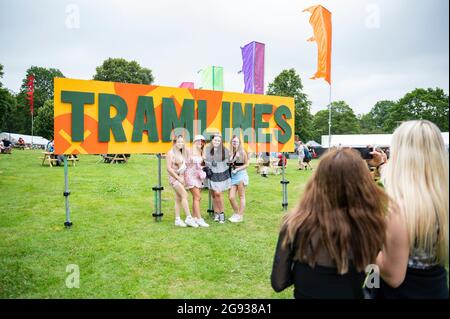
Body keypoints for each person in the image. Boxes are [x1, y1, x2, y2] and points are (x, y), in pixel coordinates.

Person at [271, 148, 388, 299]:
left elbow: (279, 282)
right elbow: (374, 279)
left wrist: (304, 270)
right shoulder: (372, 226)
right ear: (362, 185)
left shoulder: (295, 224)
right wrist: (381, 166)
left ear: (318, 181)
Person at [369, 120, 449, 299]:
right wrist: (381, 165)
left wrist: (365, 243)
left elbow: (393, 276)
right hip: (435, 289)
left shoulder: (401, 209)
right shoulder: (440, 197)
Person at [166, 135, 198, 228]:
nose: (180, 144)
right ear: (174, 142)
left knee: (178, 198)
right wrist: (178, 178)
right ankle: (189, 218)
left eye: (182, 142)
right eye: (178, 142)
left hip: (181, 178)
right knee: (184, 195)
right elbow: (168, 168)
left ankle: (177, 219)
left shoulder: (182, 152)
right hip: (174, 178)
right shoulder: (170, 153)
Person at [204, 134, 231, 224]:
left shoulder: (225, 150)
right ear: (212, 140)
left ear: (220, 142)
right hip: (211, 173)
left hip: (221, 173)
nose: (216, 142)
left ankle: (222, 213)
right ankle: (216, 213)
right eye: (215, 140)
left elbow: (230, 160)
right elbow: (205, 161)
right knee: (213, 194)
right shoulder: (207, 149)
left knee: (218, 193)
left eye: (218, 141)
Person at [184, 135, 209, 227]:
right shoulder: (188, 151)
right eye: (198, 141)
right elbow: (184, 163)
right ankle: (199, 219)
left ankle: (194, 217)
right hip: (190, 176)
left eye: (202, 142)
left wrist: (202, 169)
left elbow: (201, 165)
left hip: (198, 177)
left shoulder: (201, 152)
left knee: (197, 198)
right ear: (194, 142)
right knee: (197, 196)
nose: (200, 143)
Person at [228, 135, 249, 223]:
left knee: (241, 196)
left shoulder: (242, 152)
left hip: (240, 175)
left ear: (239, 142)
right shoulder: (231, 152)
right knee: (231, 197)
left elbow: (247, 164)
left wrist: (237, 169)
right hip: (233, 176)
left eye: (236, 141)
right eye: (233, 141)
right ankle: (237, 213)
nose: (235, 143)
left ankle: (240, 216)